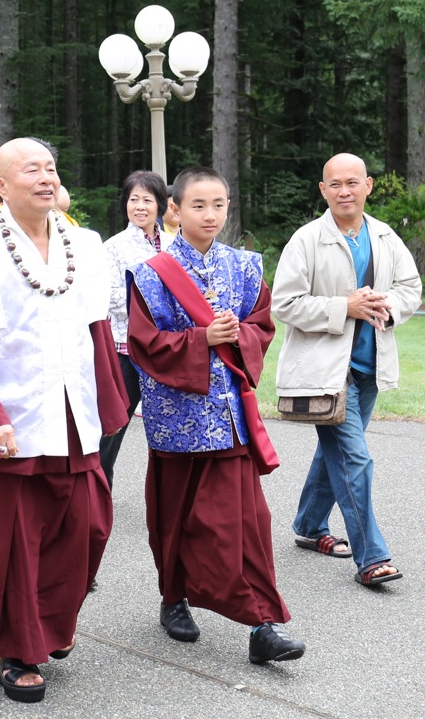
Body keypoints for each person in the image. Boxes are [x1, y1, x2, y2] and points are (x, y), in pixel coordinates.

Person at [0, 137, 126, 703]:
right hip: (14, 414)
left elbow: (97, 326)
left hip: (74, 408)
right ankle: (17, 650)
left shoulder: (84, 243)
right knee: (19, 539)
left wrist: (110, 402)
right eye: (30, 170)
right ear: (0, 185)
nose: (46, 177)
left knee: (88, 525)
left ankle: (53, 623)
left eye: (51, 168)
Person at [127, 166, 305, 665]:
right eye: (198, 205)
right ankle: (173, 596)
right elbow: (144, 343)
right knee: (176, 519)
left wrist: (238, 335)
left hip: (230, 419)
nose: (210, 215)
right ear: (175, 210)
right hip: (176, 420)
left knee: (246, 524)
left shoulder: (245, 267)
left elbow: (262, 325)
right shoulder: (152, 273)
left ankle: (263, 623)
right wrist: (201, 339)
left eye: (219, 205)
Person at [272, 152, 422, 587]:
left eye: (352, 182)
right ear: (323, 190)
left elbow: (411, 288)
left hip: (371, 368)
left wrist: (384, 305)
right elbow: (284, 303)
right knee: (355, 460)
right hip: (327, 374)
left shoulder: (386, 236)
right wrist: (345, 307)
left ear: (368, 186)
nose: (344, 191)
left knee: (334, 454)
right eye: (335, 184)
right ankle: (371, 558)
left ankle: (308, 525)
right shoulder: (306, 240)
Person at [98, 170, 175, 489]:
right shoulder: (113, 247)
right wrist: (155, 304)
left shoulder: (174, 243)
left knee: (171, 427)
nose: (140, 206)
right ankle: (98, 491)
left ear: (160, 205)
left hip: (167, 350)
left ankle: (170, 496)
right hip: (125, 350)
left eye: (147, 200)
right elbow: (110, 297)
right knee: (112, 426)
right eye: (133, 199)